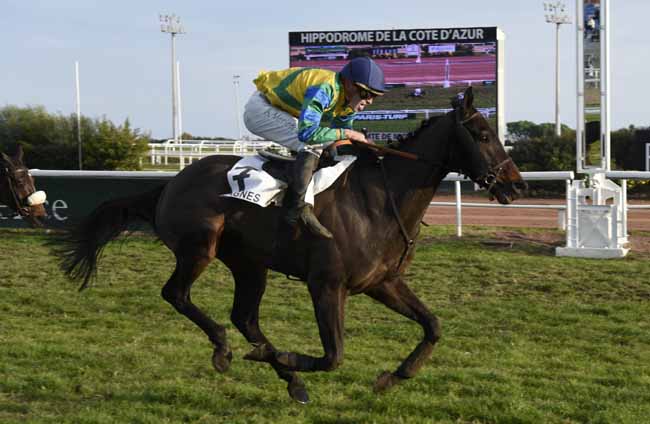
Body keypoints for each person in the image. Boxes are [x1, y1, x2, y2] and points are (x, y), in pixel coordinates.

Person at [243, 56, 386, 239]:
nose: (370, 101)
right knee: (312, 144)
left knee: (338, 147)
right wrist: (348, 134)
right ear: (350, 84)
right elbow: (308, 134)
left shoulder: (347, 102)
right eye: (367, 94)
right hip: (261, 110)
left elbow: (342, 139)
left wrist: (364, 144)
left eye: (375, 96)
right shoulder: (324, 88)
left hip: (282, 112)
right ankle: (296, 209)